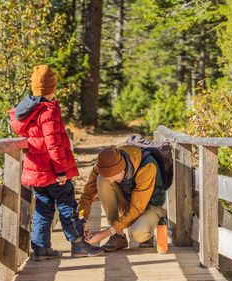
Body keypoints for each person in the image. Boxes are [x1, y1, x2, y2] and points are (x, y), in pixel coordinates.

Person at [9, 64, 103, 259]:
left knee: (43, 208)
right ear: (52, 88)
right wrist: (61, 171)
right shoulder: (47, 111)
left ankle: (41, 248)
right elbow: (54, 145)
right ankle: (78, 245)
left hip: (37, 170)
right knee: (67, 205)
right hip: (52, 171)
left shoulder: (27, 111)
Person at [78, 146, 167, 251]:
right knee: (102, 180)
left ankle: (150, 227)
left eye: (114, 176)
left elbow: (137, 209)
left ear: (123, 168)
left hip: (149, 206)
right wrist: (82, 219)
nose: (111, 181)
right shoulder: (102, 166)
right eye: (109, 177)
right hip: (127, 203)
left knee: (139, 234)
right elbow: (87, 194)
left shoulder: (147, 166)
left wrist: (105, 233)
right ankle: (118, 236)